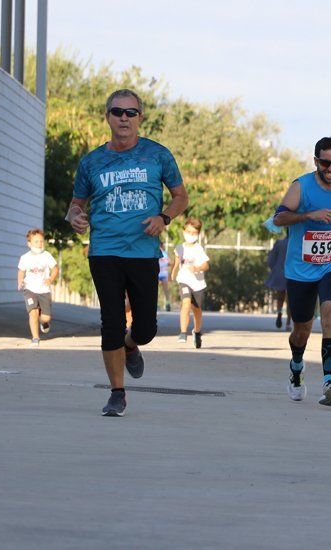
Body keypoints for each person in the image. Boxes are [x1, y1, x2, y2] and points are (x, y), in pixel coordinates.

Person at [66, 88, 189, 417]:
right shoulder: (92, 161)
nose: (124, 118)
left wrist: (164, 218)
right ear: (107, 117)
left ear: (140, 118)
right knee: (111, 321)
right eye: (117, 112)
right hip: (104, 250)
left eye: (130, 113)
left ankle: (132, 345)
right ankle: (117, 392)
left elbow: (180, 197)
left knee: (146, 327)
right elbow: (75, 205)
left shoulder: (157, 155)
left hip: (143, 251)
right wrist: (75, 217)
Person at [274, 136, 331, 406]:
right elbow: (279, 218)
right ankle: (297, 368)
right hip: (300, 269)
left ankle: (328, 380)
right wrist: (307, 216)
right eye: (325, 163)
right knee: (302, 328)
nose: (330, 169)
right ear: (316, 161)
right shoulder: (300, 186)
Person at [17, 228, 59, 346]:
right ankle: (35, 338)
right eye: (36, 242)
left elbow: (55, 269)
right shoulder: (25, 257)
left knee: (45, 318)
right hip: (29, 289)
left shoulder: (47, 256)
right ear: (29, 244)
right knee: (33, 313)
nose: (39, 244)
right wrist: (20, 280)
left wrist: (50, 279)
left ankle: (44, 323)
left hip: (43, 290)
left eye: (41, 241)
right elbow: (21, 271)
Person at [172, 218, 210, 348]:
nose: (190, 235)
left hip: (197, 283)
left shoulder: (198, 248)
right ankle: (183, 332)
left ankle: (197, 332)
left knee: (197, 310)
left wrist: (197, 268)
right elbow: (177, 262)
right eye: (188, 231)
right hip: (184, 280)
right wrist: (173, 272)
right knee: (186, 302)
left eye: (193, 233)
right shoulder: (179, 248)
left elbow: (206, 265)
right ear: (184, 231)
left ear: (198, 234)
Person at [265, 234, 290, 330]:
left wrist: (274, 269)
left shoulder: (279, 243)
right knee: (291, 300)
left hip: (280, 273)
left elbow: (270, 259)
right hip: (293, 273)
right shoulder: (297, 243)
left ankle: (279, 312)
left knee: (280, 297)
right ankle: (288, 322)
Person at [158, 242, 172, 311]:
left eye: (160, 246)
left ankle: (168, 304)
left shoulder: (164, 253)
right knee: (155, 290)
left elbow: (169, 262)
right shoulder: (155, 252)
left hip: (163, 274)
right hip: (156, 274)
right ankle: (156, 303)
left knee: (166, 290)